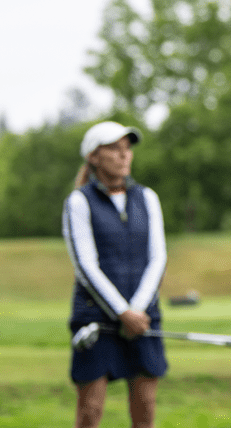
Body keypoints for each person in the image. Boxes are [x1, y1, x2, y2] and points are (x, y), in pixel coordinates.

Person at [62, 121, 167, 428]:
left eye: (127, 149)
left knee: (146, 406)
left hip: (143, 317)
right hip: (96, 319)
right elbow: (85, 265)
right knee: (90, 410)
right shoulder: (79, 201)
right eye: (114, 149)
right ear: (94, 157)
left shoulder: (147, 197)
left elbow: (158, 257)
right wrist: (122, 312)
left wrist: (137, 310)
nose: (124, 156)